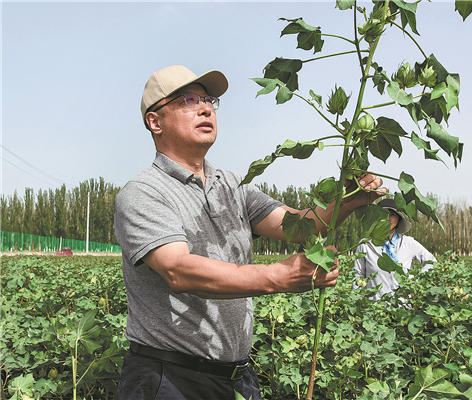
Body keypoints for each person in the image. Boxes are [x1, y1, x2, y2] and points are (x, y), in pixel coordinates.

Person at [114, 65, 385, 400]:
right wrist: (280, 275)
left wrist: (347, 201)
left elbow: (300, 225)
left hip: (236, 377)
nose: (205, 108)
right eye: (188, 100)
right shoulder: (143, 192)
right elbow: (177, 269)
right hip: (169, 379)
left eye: (209, 100)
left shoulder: (231, 185)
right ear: (155, 122)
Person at [353, 198, 436, 301]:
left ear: (399, 219)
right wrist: (357, 303)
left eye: (392, 214)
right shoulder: (366, 244)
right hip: (374, 309)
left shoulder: (408, 243)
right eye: (384, 213)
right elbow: (358, 275)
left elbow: (432, 263)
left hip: (404, 310)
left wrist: (416, 282)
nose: (388, 218)